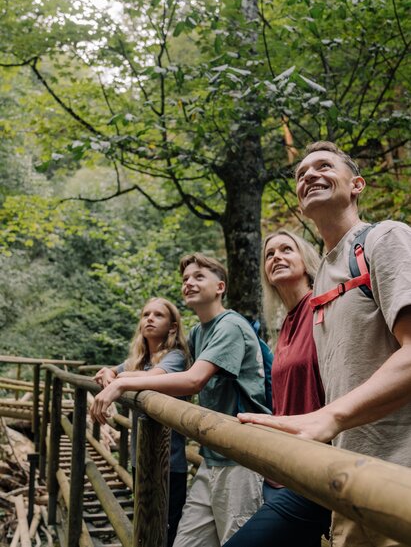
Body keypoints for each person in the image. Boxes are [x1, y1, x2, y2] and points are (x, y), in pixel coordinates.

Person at [238, 141, 411, 547]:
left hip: (399, 475)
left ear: (356, 185)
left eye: (324, 166)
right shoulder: (321, 286)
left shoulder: (385, 238)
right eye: (301, 174)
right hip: (347, 480)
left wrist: (329, 417)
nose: (310, 175)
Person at [90, 253, 269, 547]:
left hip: (242, 456)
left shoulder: (230, 326)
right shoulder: (198, 333)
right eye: (185, 279)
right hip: (213, 455)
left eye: (199, 277)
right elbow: (151, 367)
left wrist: (120, 383)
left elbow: (193, 380)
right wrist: (114, 372)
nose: (189, 283)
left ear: (220, 287)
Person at [223, 230, 330, 547]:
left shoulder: (323, 308)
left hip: (316, 470)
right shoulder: (284, 327)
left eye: (287, 249)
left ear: (306, 261)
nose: (276, 257)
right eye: (269, 254)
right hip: (282, 469)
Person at [93, 297, 191, 547]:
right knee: (144, 524)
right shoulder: (139, 360)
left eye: (158, 315)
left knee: (165, 531)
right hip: (141, 458)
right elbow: (114, 371)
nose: (149, 319)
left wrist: (118, 378)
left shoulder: (176, 357)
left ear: (172, 326)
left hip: (169, 463)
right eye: (146, 314)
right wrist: (108, 372)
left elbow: (152, 376)